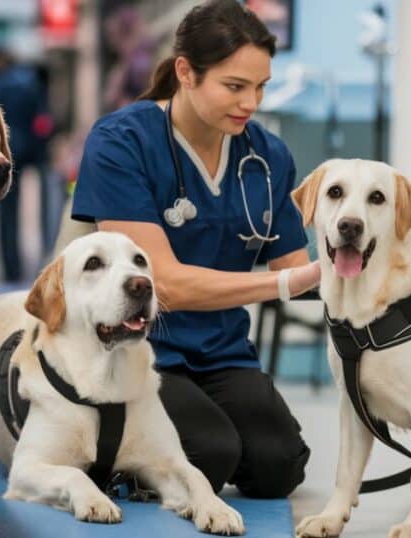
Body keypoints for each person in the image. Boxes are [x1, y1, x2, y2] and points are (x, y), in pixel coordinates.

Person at [71, 0, 319, 498]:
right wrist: (287, 283)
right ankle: (104, 449)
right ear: (185, 71)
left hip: (222, 352)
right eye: (235, 86)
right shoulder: (122, 141)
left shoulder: (267, 157)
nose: (251, 103)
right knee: (210, 452)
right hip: (137, 349)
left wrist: (359, 255)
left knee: (279, 466)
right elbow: (166, 284)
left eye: (260, 87)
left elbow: (299, 268)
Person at [0, 46, 52, 282]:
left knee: (7, 214)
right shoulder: (32, 82)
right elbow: (42, 120)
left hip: (5, 153)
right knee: (43, 209)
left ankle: (11, 268)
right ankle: (40, 261)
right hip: (32, 152)